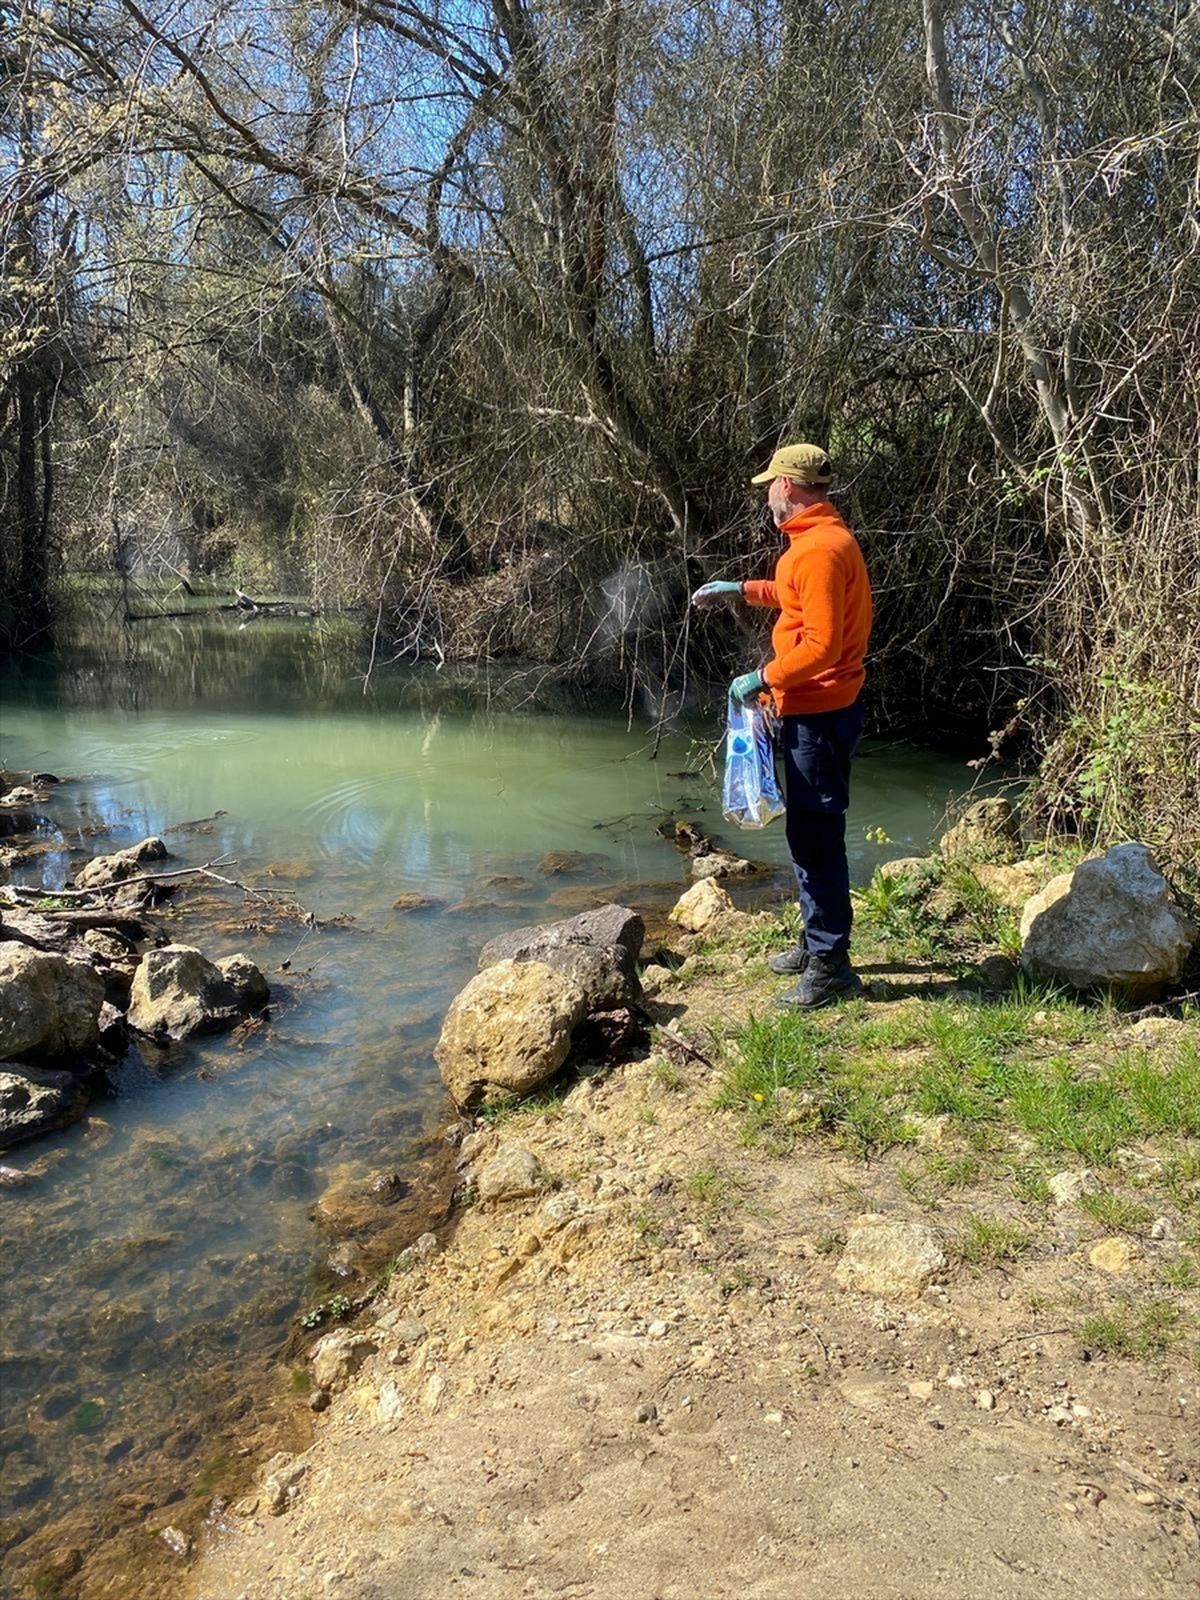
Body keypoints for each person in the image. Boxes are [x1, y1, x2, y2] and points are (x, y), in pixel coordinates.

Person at [691, 442, 873, 1008]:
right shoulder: (817, 540)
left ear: (787, 487)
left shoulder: (818, 550)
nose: (767, 494)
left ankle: (831, 967)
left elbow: (820, 646)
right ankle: (815, 942)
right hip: (819, 709)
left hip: (818, 712)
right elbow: (797, 599)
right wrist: (742, 590)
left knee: (815, 838)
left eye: (770, 484)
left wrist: (762, 676)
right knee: (808, 833)